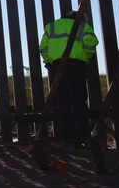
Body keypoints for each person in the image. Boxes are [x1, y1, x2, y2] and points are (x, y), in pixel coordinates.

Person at [39, 9, 98, 151]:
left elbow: (43, 48)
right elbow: (91, 45)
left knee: (63, 102)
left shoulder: (51, 26)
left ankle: (68, 139)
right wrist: (84, 57)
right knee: (79, 101)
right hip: (77, 66)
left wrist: (49, 62)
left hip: (58, 66)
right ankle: (84, 136)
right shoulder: (83, 26)